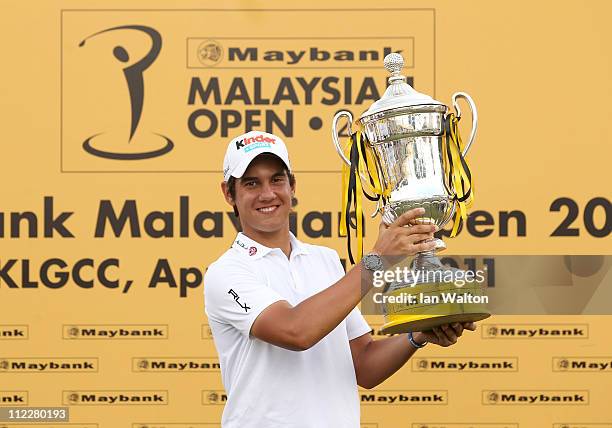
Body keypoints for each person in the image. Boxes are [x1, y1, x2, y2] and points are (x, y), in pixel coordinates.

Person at [204, 130, 476, 428]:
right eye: (251, 183)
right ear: (229, 193)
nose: (267, 193)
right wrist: (377, 261)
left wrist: (418, 337)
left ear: (292, 185)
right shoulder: (226, 272)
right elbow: (296, 331)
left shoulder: (325, 260)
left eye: (277, 179)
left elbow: (364, 365)